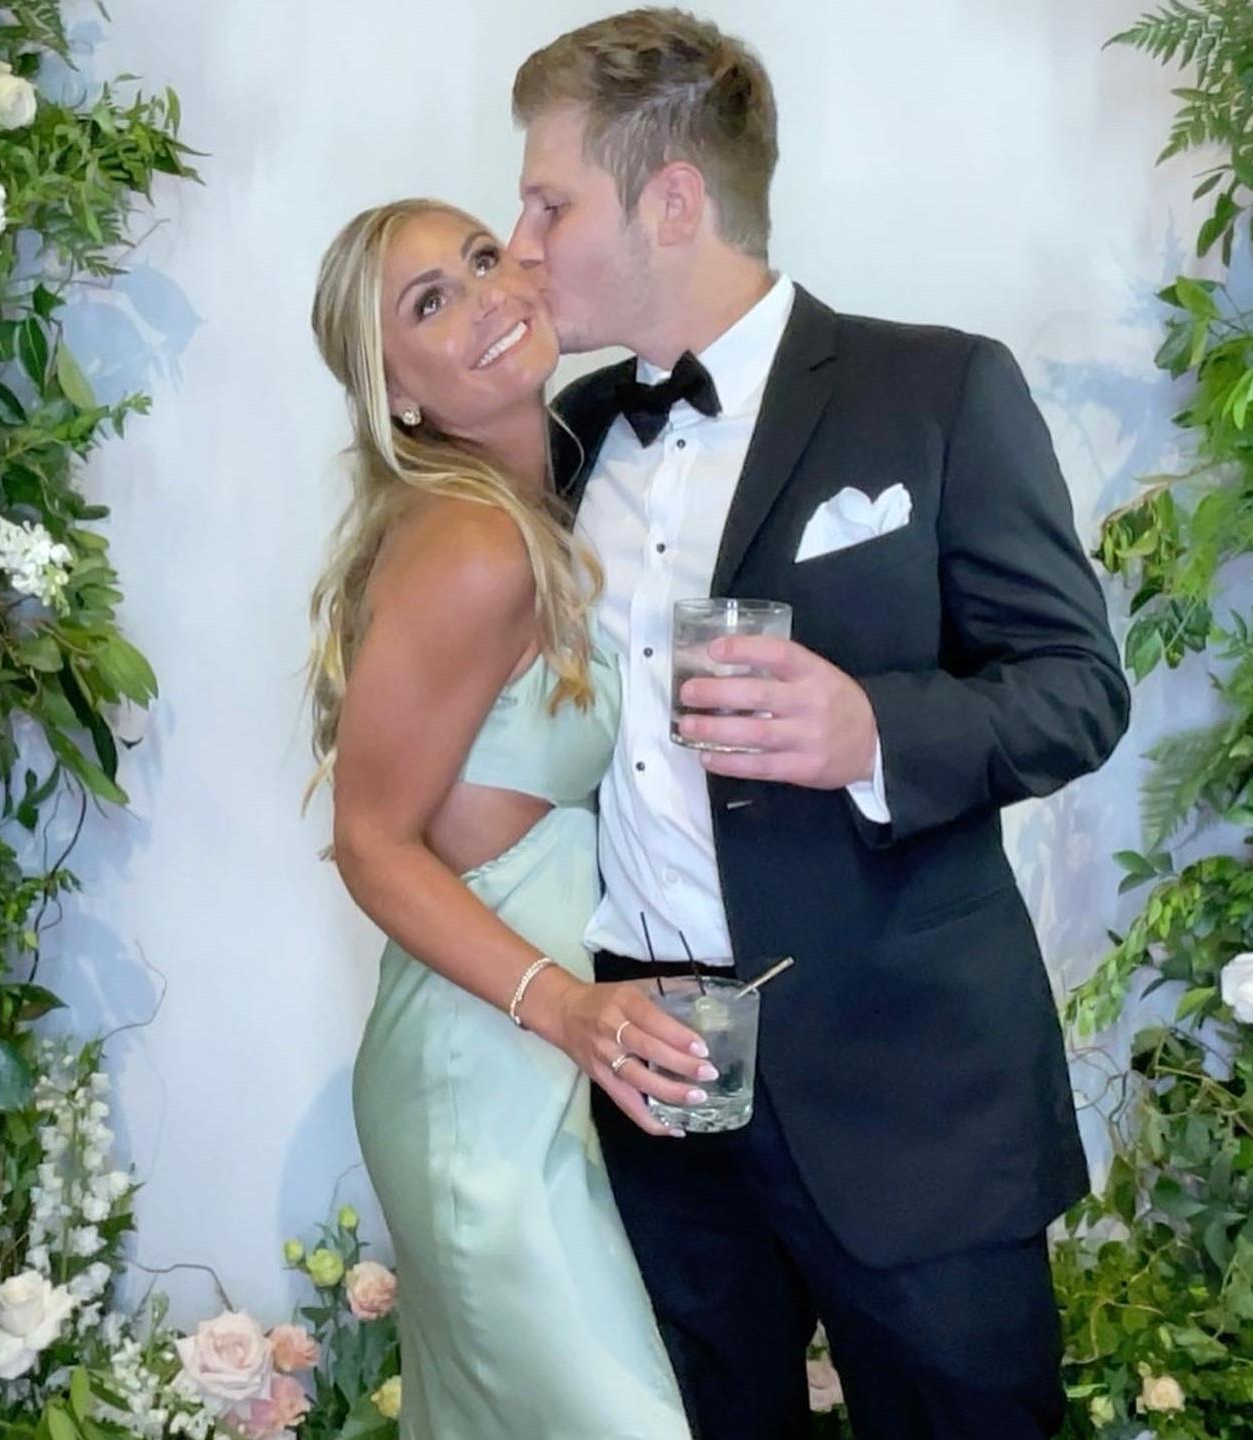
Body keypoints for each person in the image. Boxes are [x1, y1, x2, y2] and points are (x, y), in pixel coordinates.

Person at [506, 10, 1132, 1439]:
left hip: (912, 1095)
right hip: (655, 1079)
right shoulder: (569, 434)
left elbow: (1077, 687)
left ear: (672, 200)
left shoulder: (938, 389)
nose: (522, 242)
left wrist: (874, 737)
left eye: (550, 203)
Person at [305, 198, 699, 1440]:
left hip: (530, 1060)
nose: (485, 297)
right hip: (480, 1074)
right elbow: (369, 841)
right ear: (399, 401)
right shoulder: (476, 543)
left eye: (482, 259)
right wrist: (568, 1006)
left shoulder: (531, 517)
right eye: (430, 303)